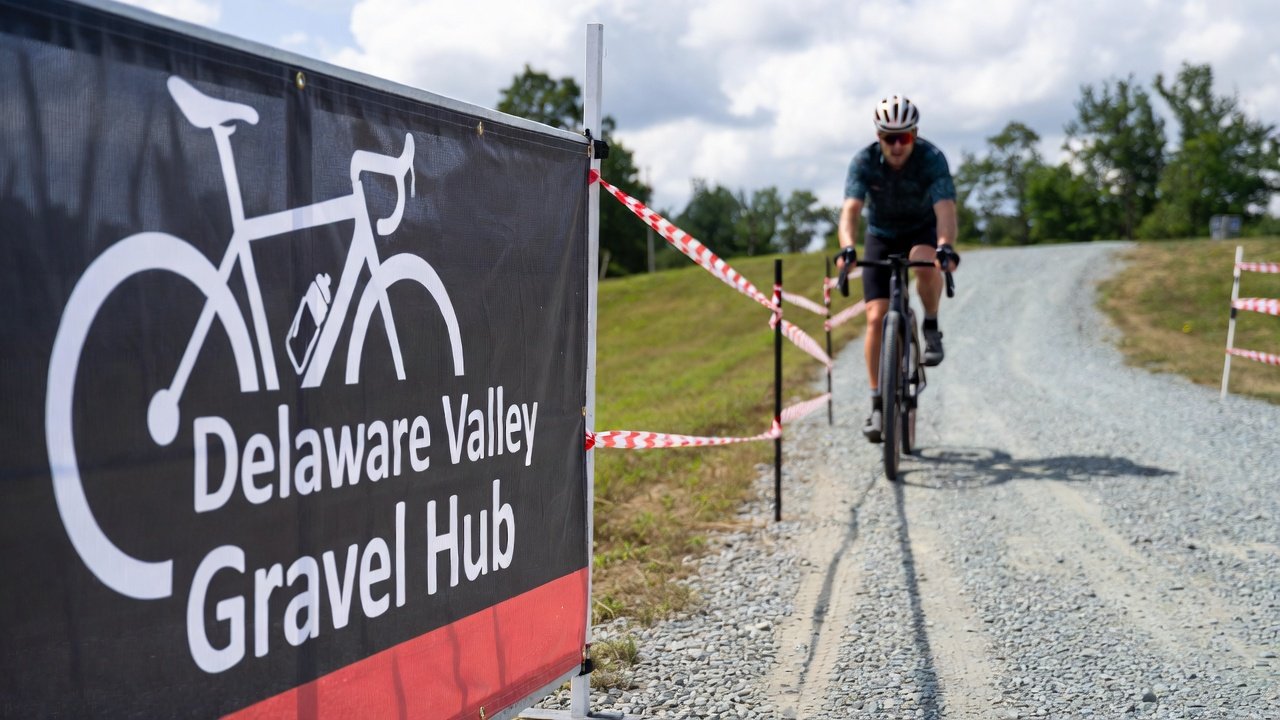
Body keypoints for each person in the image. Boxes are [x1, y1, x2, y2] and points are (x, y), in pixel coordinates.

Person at [835, 94, 960, 444]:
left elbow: (945, 208)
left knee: (925, 261)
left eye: (903, 137)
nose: (896, 145)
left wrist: (945, 245)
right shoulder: (863, 161)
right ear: (878, 137)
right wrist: (847, 247)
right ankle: (877, 403)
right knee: (875, 318)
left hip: (920, 230)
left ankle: (931, 324)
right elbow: (850, 210)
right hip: (881, 235)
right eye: (889, 138)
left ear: (915, 134)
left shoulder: (931, 159)